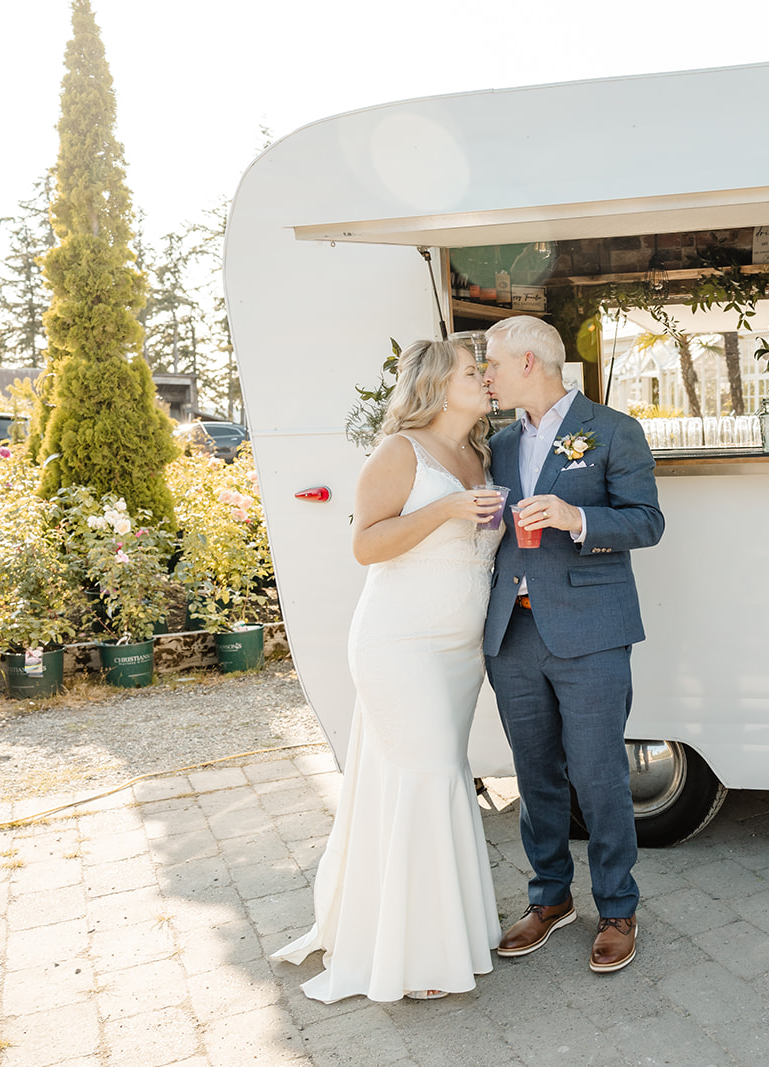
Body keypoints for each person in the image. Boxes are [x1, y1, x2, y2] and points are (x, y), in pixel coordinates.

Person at [273, 339, 506, 1002]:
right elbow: (365, 544)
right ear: (437, 383)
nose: (484, 379)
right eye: (472, 371)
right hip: (399, 640)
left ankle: (440, 929)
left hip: (459, 652)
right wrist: (445, 510)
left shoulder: (479, 455)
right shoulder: (399, 451)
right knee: (428, 774)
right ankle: (418, 955)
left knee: (433, 775)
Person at [480, 316, 664, 974]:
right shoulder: (497, 443)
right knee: (534, 774)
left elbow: (648, 521)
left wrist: (574, 516)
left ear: (529, 360)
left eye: (493, 363)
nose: (486, 374)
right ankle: (550, 897)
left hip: (591, 632)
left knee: (599, 774)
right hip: (513, 631)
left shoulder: (613, 429)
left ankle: (617, 907)